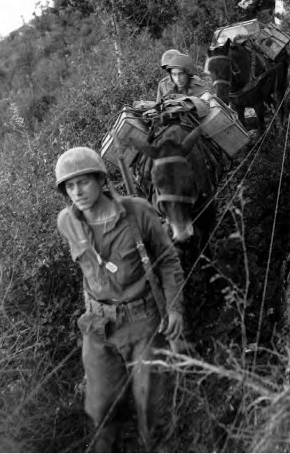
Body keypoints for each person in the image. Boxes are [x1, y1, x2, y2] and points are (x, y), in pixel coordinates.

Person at [55, 147, 185, 452]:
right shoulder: (66, 222)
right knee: (101, 410)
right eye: (70, 186)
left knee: (151, 409)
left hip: (143, 322)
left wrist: (175, 308)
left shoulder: (138, 212)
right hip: (98, 327)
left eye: (83, 182)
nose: (77, 192)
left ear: (101, 180)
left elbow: (168, 260)